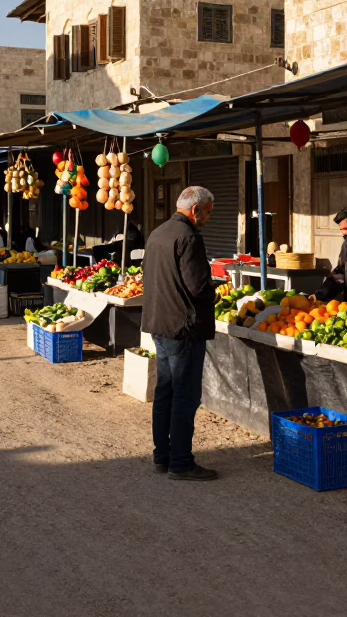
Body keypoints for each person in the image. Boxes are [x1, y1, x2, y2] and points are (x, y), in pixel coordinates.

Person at [142, 186, 218, 481]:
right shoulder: (189, 237)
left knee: (165, 392)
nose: (209, 218)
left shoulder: (157, 233)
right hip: (183, 328)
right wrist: (216, 292)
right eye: (208, 212)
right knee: (184, 396)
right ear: (195, 209)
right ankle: (181, 462)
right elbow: (198, 287)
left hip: (159, 324)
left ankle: (162, 456)